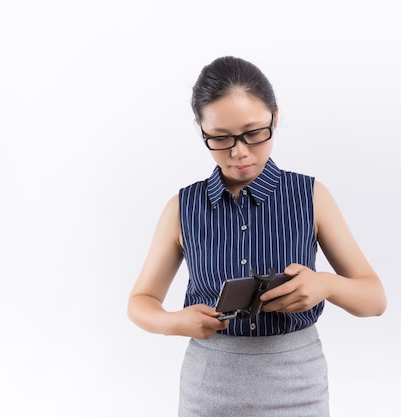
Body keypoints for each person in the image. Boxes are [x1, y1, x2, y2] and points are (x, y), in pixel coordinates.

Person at [127, 56, 387, 417]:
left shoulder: (311, 196)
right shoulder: (181, 207)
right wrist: (173, 321)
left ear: (275, 117)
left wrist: (325, 285)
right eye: (220, 138)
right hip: (208, 387)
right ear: (201, 128)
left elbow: (374, 299)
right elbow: (141, 300)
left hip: (298, 386)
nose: (239, 152)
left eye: (253, 133)